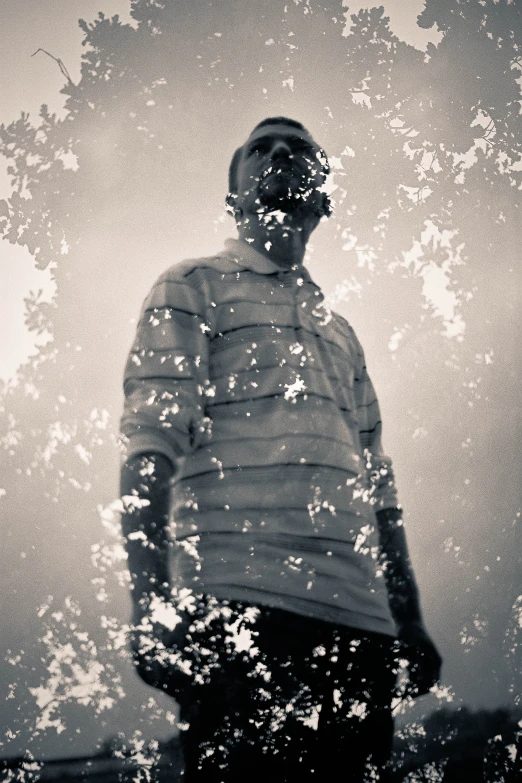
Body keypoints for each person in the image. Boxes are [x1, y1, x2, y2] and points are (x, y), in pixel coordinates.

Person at [119, 116, 442, 782]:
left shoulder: (342, 334)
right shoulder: (192, 287)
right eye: (259, 147)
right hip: (240, 614)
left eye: (299, 148)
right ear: (233, 196)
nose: (280, 154)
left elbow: (377, 489)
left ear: (324, 197)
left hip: (360, 631)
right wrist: (152, 606)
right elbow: (149, 448)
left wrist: (407, 619)